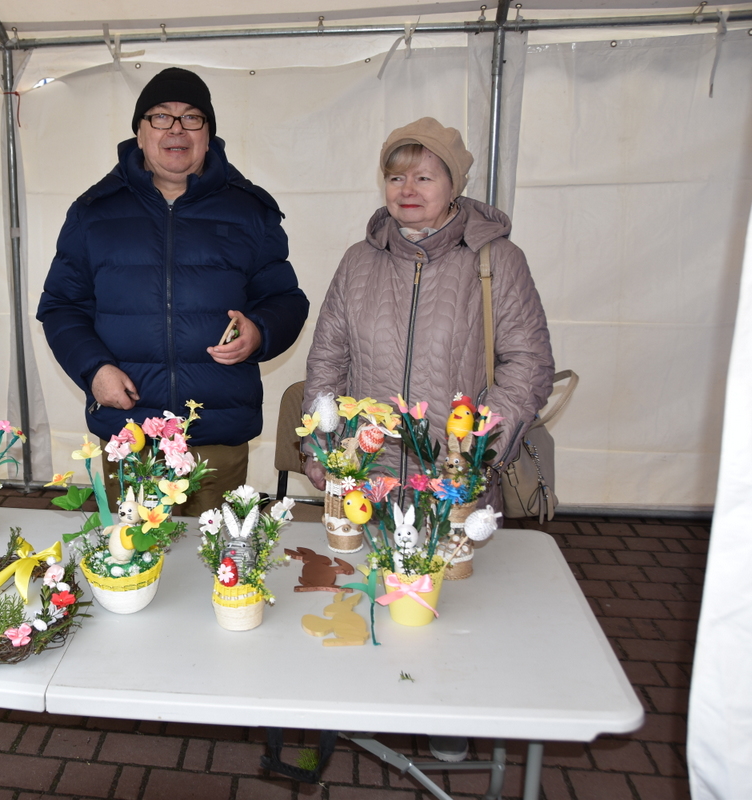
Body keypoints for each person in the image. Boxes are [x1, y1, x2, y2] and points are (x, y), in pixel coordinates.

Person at [302, 118, 554, 762]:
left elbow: (528, 366)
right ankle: (360, 702)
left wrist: (473, 455)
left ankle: (449, 709)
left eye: (424, 174)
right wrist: (323, 444)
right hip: (367, 471)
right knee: (365, 592)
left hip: (452, 483)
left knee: (451, 608)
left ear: (454, 183)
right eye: (395, 174)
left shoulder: (497, 262)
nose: (407, 188)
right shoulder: (358, 262)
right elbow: (327, 357)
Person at [37, 67, 309, 514]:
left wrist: (259, 331)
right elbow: (62, 306)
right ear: (140, 133)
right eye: (161, 117)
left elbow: (286, 300)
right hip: (130, 433)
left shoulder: (249, 211)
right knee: (132, 561)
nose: (176, 129)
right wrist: (94, 370)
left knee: (217, 564)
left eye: (192, 118)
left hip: (216, 433)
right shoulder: (93, 213)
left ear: (209, 134)